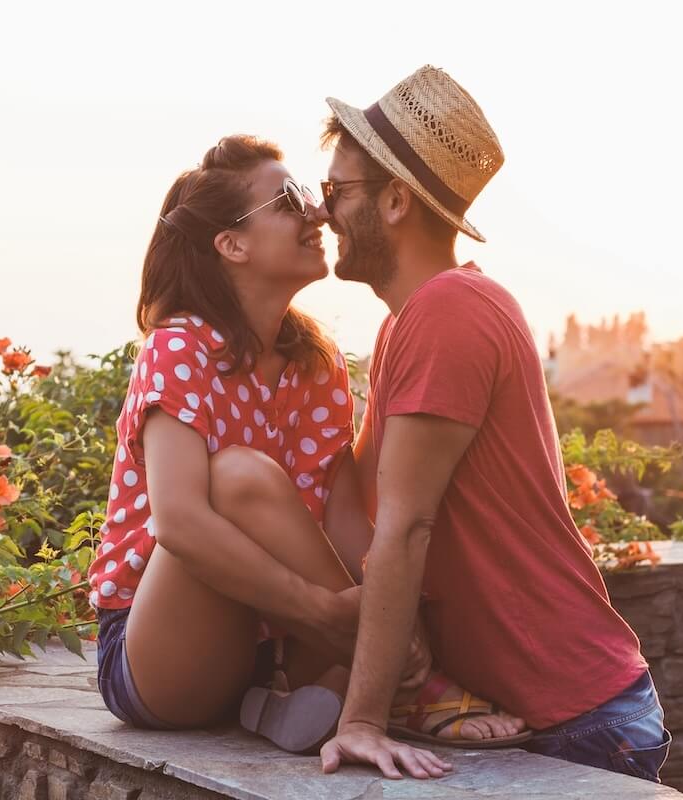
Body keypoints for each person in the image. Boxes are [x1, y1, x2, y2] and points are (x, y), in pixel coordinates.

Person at [89, 134, 525, 758]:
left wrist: (399, 620)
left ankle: (301, 692)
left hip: (263, 646)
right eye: (289, 200)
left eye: (311, 196)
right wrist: (325, 614)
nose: (315, 212)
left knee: (269, 495)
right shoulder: (179, 348)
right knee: (240, 477)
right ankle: (400, 686)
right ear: (232, 244)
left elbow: (345, 521)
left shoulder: (312, 363)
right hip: (152, 653)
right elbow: (179, 523)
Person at [315, 66, 671, 782]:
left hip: (576, 723)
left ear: (393, 201)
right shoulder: (413, 324)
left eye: (336, 191)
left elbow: (406, 528)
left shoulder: (450, 312)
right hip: (538, 712)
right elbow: (350, 503)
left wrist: (361, 720)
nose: (323, 212)